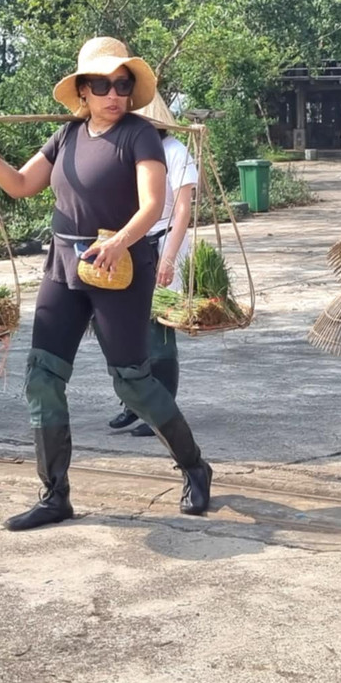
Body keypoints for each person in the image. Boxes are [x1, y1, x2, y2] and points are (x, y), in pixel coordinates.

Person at [0, 37, 213, 530]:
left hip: (122, 267)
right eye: (102, 84)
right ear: (82, 91)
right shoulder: (66, 136)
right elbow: (20, 185)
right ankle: (55, 494)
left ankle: (194, 466)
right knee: (43, 376)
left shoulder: (140, 136)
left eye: (122, 84)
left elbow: (152, 205)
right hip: (64, 266)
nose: (113, 93)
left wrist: (120, 241)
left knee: (132, 380)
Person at [107, 92, 199, 438]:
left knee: (160, 329)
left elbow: (182, 210)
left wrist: (170, 257)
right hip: (130, 242)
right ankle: (135, 403)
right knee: (127, 328)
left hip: (163, 240)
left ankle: (162, 409)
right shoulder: (130, 150)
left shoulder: (175, 151)